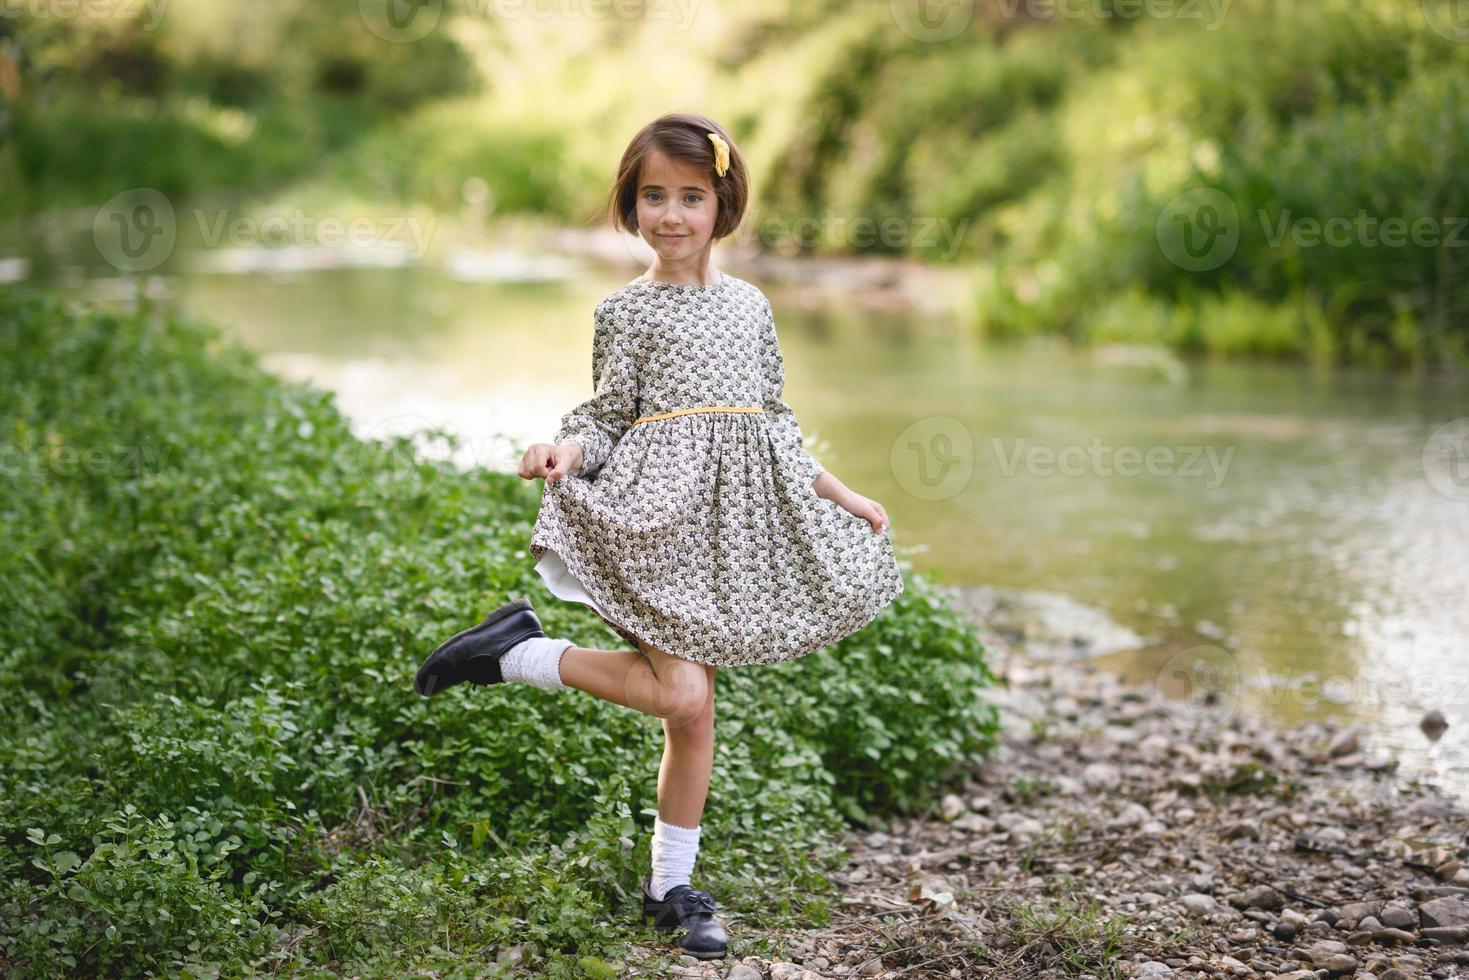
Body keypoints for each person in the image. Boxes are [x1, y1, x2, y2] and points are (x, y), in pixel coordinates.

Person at [413, 112, 904, 960]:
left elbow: (773, 423)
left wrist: (843, 493)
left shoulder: (750, 307)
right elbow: (604, 416)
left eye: (689, 197)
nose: (670, 215)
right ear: (629, 206)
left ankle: (668, 888)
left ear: (722, 204)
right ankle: (514, 656)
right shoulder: (626, 311)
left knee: (694, 713)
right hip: (651, 523)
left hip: (724, 533)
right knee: (680, 694)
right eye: (652, 197)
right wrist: (563, 451)